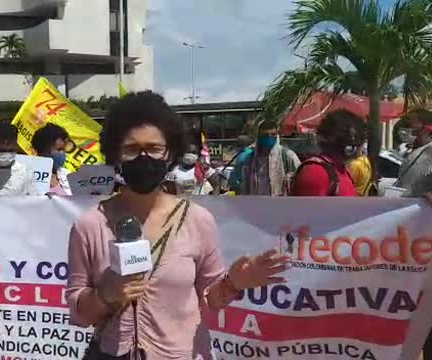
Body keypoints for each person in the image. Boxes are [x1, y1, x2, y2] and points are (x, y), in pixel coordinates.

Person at [66, 91, 289, 359]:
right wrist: (105, 295)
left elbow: (208, 303)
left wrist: (233, 283)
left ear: (170, 152)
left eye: (154, 148)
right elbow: (79, 314)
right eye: (131, 149)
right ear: (115, 154)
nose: (144, 158)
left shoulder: (197, 220)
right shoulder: (90, 226)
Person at [292, 110, 365, 197]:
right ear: (348, 148)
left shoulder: (341, 170)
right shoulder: (316, 172)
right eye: (358, 145)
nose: (359, 151)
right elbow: (310, 210)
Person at [240, 120, 300, 195]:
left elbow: (300, 179)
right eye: (265, 135)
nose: (269, 137)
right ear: (259, 136)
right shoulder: (250, 159)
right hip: (256, 204)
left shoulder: (287, 156)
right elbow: (245, 185)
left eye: (273, 134)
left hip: (280, 204)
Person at [395, 108, 432, 197]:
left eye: (413, 121)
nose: (408, 125)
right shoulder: (412, 150)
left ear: (426, 127)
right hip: (405, 205)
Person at [31, 123, 72, 195]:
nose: (63, 153)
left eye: (64, 149)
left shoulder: (69, 177)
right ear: (44, 151)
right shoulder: (27, 176)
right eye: (59, 149)